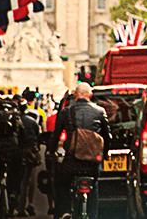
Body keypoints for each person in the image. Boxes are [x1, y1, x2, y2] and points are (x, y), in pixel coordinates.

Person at [52, 83, 111, 219]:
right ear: (90, 95)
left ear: (75, 95)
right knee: (94, 186)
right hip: (92, 162)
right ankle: (92, 214)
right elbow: (107, 136)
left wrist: (51, 151)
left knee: (63, 184)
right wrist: (105, 153)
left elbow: (56, 134)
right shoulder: (100, 111)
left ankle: (66, 210)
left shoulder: (67, 112)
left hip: (71, 161)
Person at [19, 94, 45, 216]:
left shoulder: (14, 121)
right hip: (31, 152)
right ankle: (29, 203)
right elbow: (39, 137)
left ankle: (18, 205)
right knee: (29, 179)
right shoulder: (36, 118)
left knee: (21, 180)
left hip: (18, 152)